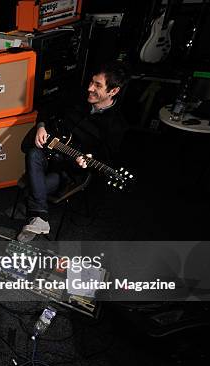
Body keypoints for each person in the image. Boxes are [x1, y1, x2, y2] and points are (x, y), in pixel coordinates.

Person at [18, 62, 129, 241]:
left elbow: (107, 160)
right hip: (47, 154)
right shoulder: (77, 97)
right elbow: (47, 107)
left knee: (34, 187)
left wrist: (89, 162)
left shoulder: (117, 126)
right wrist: (41, 126)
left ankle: (38, 215)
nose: (90, 88)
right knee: (33, 154)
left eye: (97, 85)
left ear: (113, 91)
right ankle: (41, 218)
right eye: (92, 82)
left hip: (67, 171)